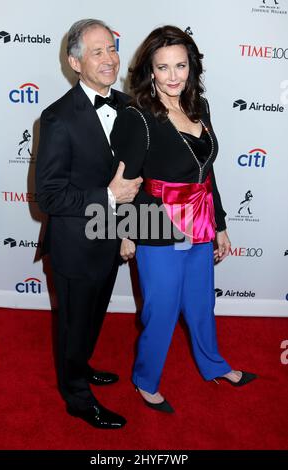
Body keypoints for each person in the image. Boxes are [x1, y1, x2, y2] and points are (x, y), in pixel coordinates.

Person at [112, 25, 257, 413]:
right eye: (164, 67)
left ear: (191, 67)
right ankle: (145, 379)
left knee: (199, 303)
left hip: (201, 220)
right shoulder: (137, 116)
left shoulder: (199, 106)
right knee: (160, 311)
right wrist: (128, 234)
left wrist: (221, 225)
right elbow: (125, 184)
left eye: (181, 66)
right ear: (150, 71)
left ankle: (213, 365)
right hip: (156, 225)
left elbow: (206, 173)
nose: (174, 76)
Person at [36, 19, 142, 429]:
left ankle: (79, 363)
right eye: (97, 51)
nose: (110, 59)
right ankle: (77, 397)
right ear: (75, 62)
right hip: (75, 246)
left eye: (112, 49)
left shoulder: (129, 106)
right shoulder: (58, 118)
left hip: (110, 240)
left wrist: (128, 229)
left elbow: (133, 177)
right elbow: (49, 196)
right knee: (73, 322)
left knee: (93, 317)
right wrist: (109, 198)